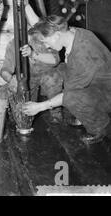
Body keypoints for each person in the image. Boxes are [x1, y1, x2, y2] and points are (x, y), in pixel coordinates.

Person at [23, 16, 111, 145]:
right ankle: (84, 115)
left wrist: (40, 106)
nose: (47, 46)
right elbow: (45, 25)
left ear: (57, 35)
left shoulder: (82, 54)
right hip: (96, 80)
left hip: (106, 92)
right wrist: (26, 5)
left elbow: (67, 95)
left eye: (46, 42)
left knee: (71, 98)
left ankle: (99, 127)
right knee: (59, 70)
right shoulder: (74, 33)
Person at [0, 0, 64, 123]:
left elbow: (55, 59)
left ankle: (56, 111)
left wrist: (33, 54)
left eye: (25, 22)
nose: (22, 26)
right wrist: (10, 79)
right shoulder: (13, 44)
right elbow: (5, 70)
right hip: (28, 80)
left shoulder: (42, 37)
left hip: (48, 76)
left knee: (52, 78)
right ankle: (13, 114)